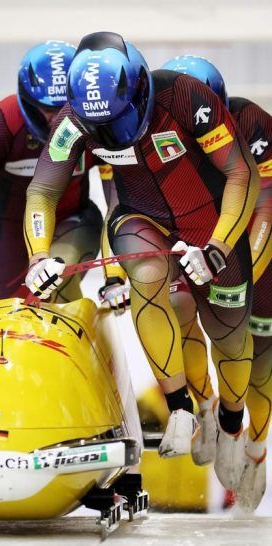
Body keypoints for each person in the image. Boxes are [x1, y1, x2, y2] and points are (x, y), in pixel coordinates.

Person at [23, 32, 259, 493]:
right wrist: (38, 255)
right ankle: (183, 408)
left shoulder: (184, 96)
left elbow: (240, 173)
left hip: (210, 220)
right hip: (140, 215)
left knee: (230, 338)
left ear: (140, 89)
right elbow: (43, 191)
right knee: (146, 277)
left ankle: (232, 423)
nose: (114, 130)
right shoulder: (72, 121)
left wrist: (218, 246)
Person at [162, 54, 272, 510]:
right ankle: (207, 405)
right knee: (175, 307)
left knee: (259, 356)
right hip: (195, 241)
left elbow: (265, 209)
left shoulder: (254, 125)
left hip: (250, 245)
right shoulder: (157, 128)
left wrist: (240, 275)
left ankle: (255, 446)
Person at [0, 40, 106, 302]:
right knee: (20, 303)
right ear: (29, 103)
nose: (59, 119)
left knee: (56, 278)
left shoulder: (100, 122)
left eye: (66, 107)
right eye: (49, 110)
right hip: (10, 230)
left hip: (72, 221)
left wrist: (114, 278)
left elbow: (118, 201)